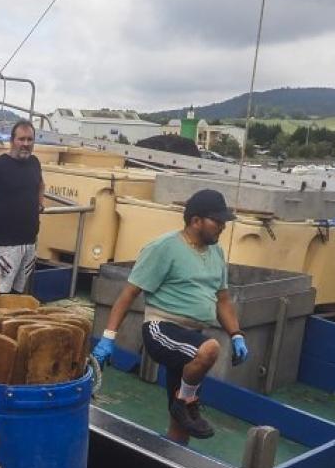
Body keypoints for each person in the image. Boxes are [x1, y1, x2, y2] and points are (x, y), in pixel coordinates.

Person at [92, 189, 249, 443]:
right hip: (161, 328)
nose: (222, 227)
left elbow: (222, 300)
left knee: (182, 424)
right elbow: (129, 294)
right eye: (217, 221)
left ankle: (177, 438)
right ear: (196, 220)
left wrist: (237, 334)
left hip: (190, 337)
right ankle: (185, 401)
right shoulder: (164, 247)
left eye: (224, 222)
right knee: (209, 350)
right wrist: (108, 337)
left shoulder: (216, 253)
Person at [0, 119, 44, 293]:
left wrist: (40, 203)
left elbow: (41, 184)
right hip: (5, 246)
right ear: (12, 140)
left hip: (29, 243)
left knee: (19, 294)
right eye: (21, 139)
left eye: (30, 139)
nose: (25, 144)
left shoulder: (35, 163)